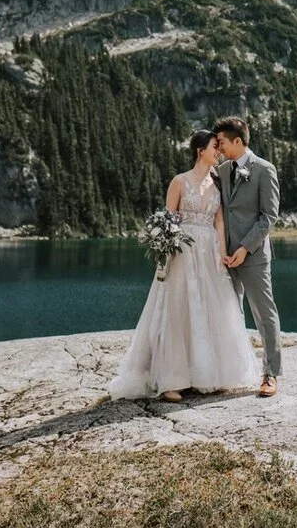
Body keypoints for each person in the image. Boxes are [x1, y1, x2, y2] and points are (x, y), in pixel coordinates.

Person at [108, 130, 260, 401]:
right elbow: (170, 219)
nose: (219, 152)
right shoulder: (180, 181)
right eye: (214, 147)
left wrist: (222, 254)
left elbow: (219, 222)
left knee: (211, 309)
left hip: (209, 252)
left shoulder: (218, 183)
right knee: (177, 309)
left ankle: (211, 375)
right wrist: (166, 251)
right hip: (182, 252)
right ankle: (171, 380)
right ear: (200, 150)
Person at [213, 116, 283, 397]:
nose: (218, 147)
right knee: (228, 314)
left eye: (222, 142)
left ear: (238, 141)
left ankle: (270, 374)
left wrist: (244, 248)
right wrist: (222, 249)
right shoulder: (220, 170)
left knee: (264, 314)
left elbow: (269, 216)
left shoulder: (264, 169)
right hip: (224, 257)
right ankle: (230, 371)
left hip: (252, 255)